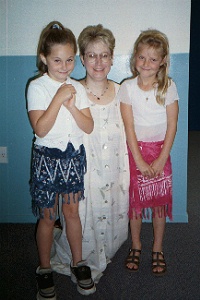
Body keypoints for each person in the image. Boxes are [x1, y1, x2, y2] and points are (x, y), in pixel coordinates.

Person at [51, 24, 129, 282]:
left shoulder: (122, 92)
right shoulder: (71, 92)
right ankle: (80, 258)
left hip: (116, 168)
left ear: (111, 58)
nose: (98, 61)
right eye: (92, 55)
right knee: (82, 218)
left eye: (104, 55)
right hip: (83, 172)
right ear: (82, 59)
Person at [27, 21, 96, 299]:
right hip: (46, 160)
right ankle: (44, 268)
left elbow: (88, 126)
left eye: (69, 60)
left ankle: (78, 263)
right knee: (47, 216)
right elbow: (41, 129)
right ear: (44, 58)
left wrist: (71, 103)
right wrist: (58, 98)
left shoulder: (77, 88)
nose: (65, 66)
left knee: (71, 213)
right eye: (57, 60)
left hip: (72, 158)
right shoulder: (38, 86)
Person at [118, 29, 179, 275]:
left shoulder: (169, 86)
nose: (146, 63)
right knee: (136, 204)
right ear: (135, 58)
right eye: (142, 57)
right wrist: (140, 161)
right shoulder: (127, 88)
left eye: (153, 59)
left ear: (163, 61)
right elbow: (129, 127)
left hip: (161, 152)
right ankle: (136, 244)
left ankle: (157, 248)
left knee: (159, 205)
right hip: (136, 152)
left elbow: (173, 124)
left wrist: (162, 157)